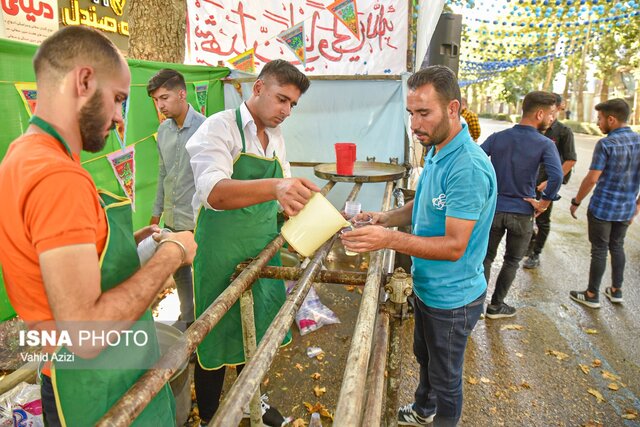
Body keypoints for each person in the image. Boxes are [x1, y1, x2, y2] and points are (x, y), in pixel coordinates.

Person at [0, 27, 197, 426]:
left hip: (59, 366)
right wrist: (171, 255)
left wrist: (123, 242)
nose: (119, 118)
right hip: (92, 382)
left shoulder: (22, 155)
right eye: (118, 100)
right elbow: (85, 334)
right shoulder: (59, 178)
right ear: (85, 81)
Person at [341, 65, 497, 427]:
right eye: (411, 113)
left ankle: (443, 418)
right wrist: (385, 219)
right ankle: (423, 410)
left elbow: (455, 246)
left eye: (424, 112)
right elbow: (424, 203)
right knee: (424, 356)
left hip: (453, 297)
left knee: (446, 376)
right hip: (428, 287)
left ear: (453, 109)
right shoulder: (437, 148)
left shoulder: (468, 167)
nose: (414, 124)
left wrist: (390, 239)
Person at [186, 59, 318, 426]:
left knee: (255, 329)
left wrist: (310, 212)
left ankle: (252, 400)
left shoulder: (275, 138)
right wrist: (277, 187)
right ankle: (212, 414)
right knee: (213, 334)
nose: (286, 111)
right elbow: (214, 192)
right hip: (219, 251)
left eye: (293, 104)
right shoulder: (220, 128)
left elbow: (284, 193)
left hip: (260, 247)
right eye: (281, 99)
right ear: (257, 88)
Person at [481, 91, 563, 319]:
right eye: (551, 114)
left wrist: (486, 191)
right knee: (512, 261)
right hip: (523, 212)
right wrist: (544, 202)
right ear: (539, 113)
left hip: (494, 209)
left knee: (485, 258)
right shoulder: (545, 144)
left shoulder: (498, 137)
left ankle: (475, 305)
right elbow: (556, 177)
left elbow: (475, 160)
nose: (552, 119)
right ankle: (496, 307)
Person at [147, 69, 205, 331]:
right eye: (156, 100)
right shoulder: (163, 131)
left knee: (204, 273)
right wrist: (156, 213)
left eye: (164, 97)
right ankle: (188, 319)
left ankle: (206, 323)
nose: (160, 105)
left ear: (182, 94)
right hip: (172, 217)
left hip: (199, 219)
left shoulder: (206, 128)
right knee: (180, 272)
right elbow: (162, 173)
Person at [569, 98, 640, 308]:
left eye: (600, 119)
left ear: (612, 119)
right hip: (626, 208)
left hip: (602, 208)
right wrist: (636, 206)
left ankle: (592, 294)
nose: (598, 123)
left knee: (599, 250)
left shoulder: (607, 143)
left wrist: (576, 201)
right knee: (618, 246)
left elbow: (592, 178)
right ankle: (616, 291)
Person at [523, 93, 577, 269]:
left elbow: (570, 160)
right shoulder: (533, 128)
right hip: (528, 182)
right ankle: (528, 243)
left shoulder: (563, 132)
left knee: (543, 219)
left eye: (555, 110)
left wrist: (549, 182)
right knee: (525, 215)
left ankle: (536, 254)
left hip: (546, 184)